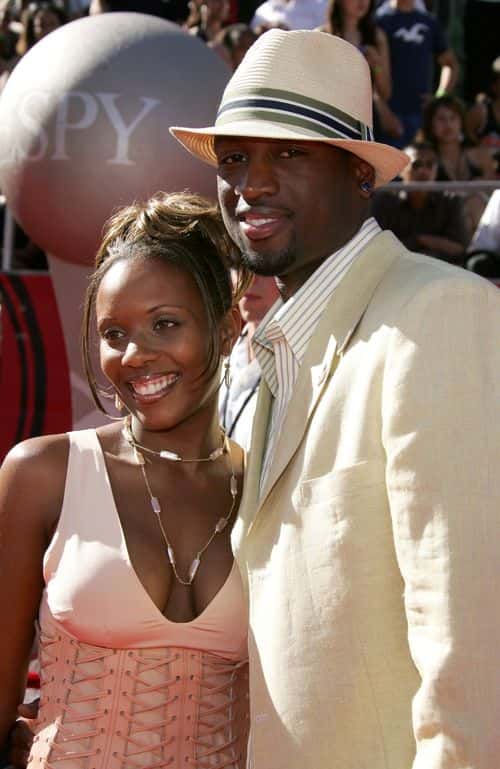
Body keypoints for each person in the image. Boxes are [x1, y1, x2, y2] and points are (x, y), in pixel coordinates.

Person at [171, 28, 500, 768]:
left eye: (289, 154)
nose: (251, 184)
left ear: (360, 174)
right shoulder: (276, 349)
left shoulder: (439, 315)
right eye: (234, 158)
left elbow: (472, 641)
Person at [0, 191, 251, 769]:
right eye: (114, 333)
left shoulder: (269, 486)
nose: (135, 354)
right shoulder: (43, 474)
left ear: (227, 328)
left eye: (165, 324)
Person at [375, 0, 458, 148]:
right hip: (387, 115)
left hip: (420, 115)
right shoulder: (379, 20)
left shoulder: (428, 21)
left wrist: (438, 98)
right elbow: (371, 68)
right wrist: (382, 109)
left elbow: (450, 64)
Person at [372, 140, 468, 264]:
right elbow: (377, 247)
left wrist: (421, 240)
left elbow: (459, 248)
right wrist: (421, 242)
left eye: (430, 165)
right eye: (416, 165)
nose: (423, 171)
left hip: (440, 269)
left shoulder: (451, 201)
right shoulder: (384, 200)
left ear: (437, 170)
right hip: (396, 267)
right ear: (401, 170)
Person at [421, 94, 496, 238]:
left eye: (453, 118)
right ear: (431, 124)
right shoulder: (425, 158)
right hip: (441, 221)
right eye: (441, 119)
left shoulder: (480, 155)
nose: (448, 125)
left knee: (475, 203)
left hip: (480, 215)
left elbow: (492, 193)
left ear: (461, 122)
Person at [219, 274, 280, 450]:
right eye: (239, 264)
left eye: (263, 269)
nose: (250, 279)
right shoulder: (221, 353)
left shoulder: (297, 366)